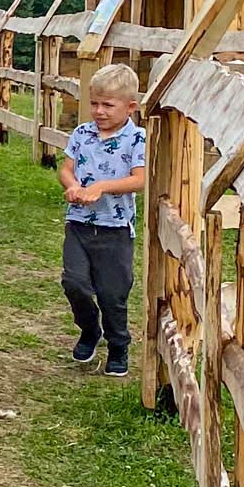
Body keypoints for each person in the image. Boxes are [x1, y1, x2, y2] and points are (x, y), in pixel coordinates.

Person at [59, 63, 148, 377]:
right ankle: (88, 329)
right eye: (94, 103)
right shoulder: (82, 133)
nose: (99, 111)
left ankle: (118, 344)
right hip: (79, 224)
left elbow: (140, 180)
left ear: (130, 106)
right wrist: (72, 186)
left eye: (108, 105)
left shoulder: (136, 139)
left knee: (113, 293)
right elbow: (66, 168)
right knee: (74, 282)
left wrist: (101, 187)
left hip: (115, 229)